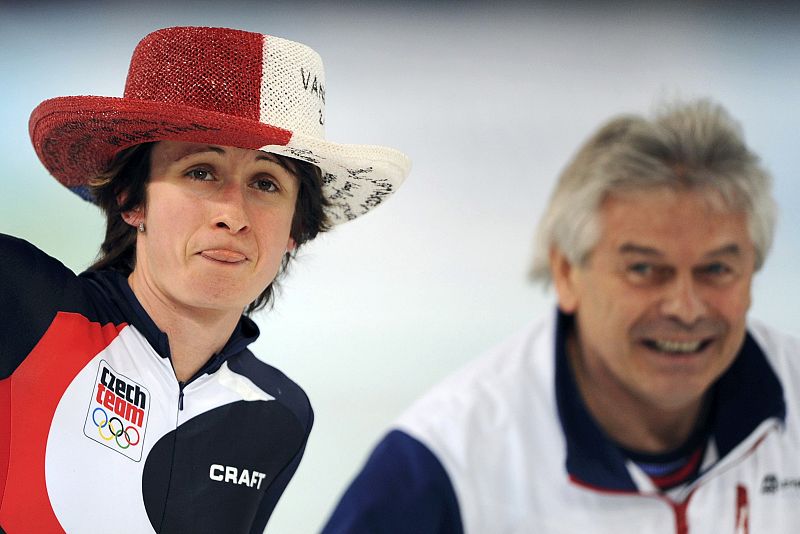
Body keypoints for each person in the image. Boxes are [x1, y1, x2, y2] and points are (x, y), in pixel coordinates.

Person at [0, 26, 409, 534]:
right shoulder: (19, 300)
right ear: (131, 199)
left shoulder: (279, 416)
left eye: (265, 183)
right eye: (201, 171)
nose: (233, 215)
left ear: (296, 230)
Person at [322, 99, 800, 533]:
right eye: (645, 270)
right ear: (567, 272)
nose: (685, 307)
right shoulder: (443, 464)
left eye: (716, 269)